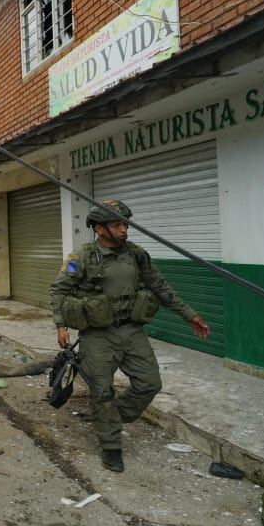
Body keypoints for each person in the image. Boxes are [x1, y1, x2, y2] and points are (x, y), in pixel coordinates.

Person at [48, 200, 211, 473]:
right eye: (116, 225)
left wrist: (189, 314)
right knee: (101, 391)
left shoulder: (137, 255)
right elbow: (58, 290)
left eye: (125, 224)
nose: (123, 229)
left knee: (150, 383)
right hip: (97, 335)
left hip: (131, 331)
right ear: (99, 228)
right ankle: (111, 445)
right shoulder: (82, 258)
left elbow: (161, 288)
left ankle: (111, 417)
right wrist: (60, 325)